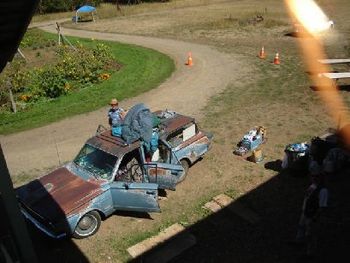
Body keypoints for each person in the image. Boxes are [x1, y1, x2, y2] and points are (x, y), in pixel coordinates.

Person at [291, 172, 329, 259]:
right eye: (312, 176)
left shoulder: (323, 190)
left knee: (310, 235)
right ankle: (299, 241)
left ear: (321, 178)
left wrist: (315, 217)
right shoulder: (312, 185)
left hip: (312, 215)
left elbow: (322, 206)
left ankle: (310, 253)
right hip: (305, 212)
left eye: (316, 176)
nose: (314, 178)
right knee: (301, 227)